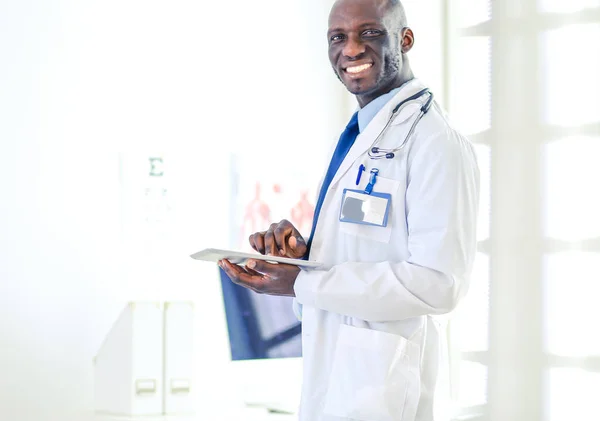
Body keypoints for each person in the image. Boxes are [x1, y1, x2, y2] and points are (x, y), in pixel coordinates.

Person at [219, 0, 480, 419]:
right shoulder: (364, 136)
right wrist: (304, 259)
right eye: (337, 37)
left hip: (383, 387)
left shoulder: (436, 142)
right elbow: (364, 247)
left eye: (370, 33)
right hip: (336, 374)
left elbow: (439, 283)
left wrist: (303, 284)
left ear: (405, 39)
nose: (351, 49)